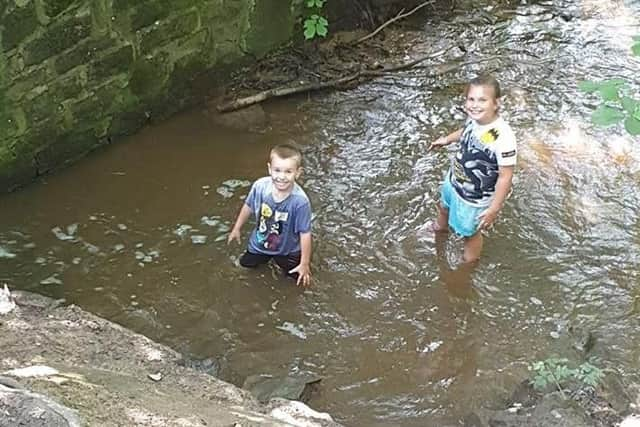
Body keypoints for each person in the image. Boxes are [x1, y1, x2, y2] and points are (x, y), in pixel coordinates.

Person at [427, 74, 517, 262]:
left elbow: (505, 177)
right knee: (443, 207)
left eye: (482, 100)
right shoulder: (475, 120)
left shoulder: (503, 137)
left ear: (496, 103)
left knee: (470, 233)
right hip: (454, 181)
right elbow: (466, 132)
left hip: (474, 197)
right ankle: (438, 229)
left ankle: (469, 264)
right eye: (471, 99)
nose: (475, 105)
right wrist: (447, 139)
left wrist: (494, 208)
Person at [228, 143, 312, 287]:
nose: (281, 177)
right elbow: (248, 205)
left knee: (298, 281)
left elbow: (305, 233)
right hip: (260, 243)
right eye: (277, 170)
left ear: (298, 173)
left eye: (288, 172)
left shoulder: (300, 202)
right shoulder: (260, 187)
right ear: (269, 169)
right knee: (242, 268)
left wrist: (305, 263)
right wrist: (237, 228)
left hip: (289, 249)